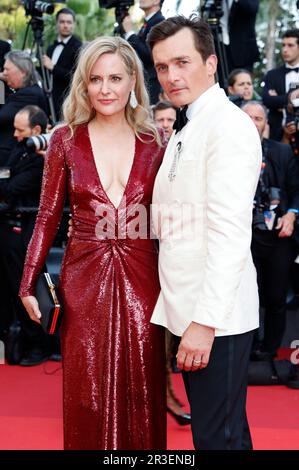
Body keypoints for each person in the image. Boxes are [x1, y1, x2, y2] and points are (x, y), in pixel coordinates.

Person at [19, 36, 166, 450]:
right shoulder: (65, 139)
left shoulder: (156, 144)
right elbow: (47, 217)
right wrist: (27, 281)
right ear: (83, 84)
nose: (105, 89)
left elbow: (169, 222)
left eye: (115, 78)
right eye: (95, 79)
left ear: (133, 81)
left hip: (143, 278)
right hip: (82, 279)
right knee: (89, 391)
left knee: (143, 386)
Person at [148, 15, 262, 450]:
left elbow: (230, 235)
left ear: (211, 63)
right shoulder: (190, 122)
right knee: (221, 434)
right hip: (189, 309)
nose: (172, 76)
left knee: (218, 438)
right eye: (162, 67)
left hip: (216, 318)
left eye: (182, 62)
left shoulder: (228, 127)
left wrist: (203, 324)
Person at [242, 101, 299, 360]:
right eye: (248, 117)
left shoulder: (282, 153)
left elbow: (296, 190)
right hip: (244, 237)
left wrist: (291, 213)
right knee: (247, 295)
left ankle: (271, 349)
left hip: (279, 236)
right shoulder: (225, 154)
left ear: (266, 123)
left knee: (276, 296)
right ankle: (250, 347)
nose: (254, 123)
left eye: (258, 118)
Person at [0, 105, 49, 366]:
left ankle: (38, 345)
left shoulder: (42, 159)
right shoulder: (19, 149)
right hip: (9, 231)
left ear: (37, 131)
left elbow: (10, 186)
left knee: (26, 290)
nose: (15, 135)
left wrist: (6, 184)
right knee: (10, 289)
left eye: (20, 130)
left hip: (26, 233)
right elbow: (4, 179)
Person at [0, 51, 47, 166]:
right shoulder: (24, 91)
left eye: (7, 70)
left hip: (11, 157)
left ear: (23, 72)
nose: (3, 73)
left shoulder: (28, 94)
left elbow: (1, 116)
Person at [42, 8, 82, 121]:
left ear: (73, 24)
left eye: (69, 22)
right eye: (62, 22)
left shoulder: (78, 47)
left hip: (68, 103)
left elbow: (76, 77)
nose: (65, 25)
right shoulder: (51, 47)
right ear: (57, 23)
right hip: (50, 103)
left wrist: (53, 68)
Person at [122, 0, 164, 104]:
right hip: (147, 81)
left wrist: (130, 33)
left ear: (157, 1)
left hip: (153, 83)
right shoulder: (148, 22)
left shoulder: (159, 21)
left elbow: (150, 54)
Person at [262, 29, 299, 141]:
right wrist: (291, 97)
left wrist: (279, 100)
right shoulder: (272, 75)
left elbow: (274, 101)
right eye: (283, 45)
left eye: (290, 45)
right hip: (278, 136)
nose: (285, 49)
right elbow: (267, 100)